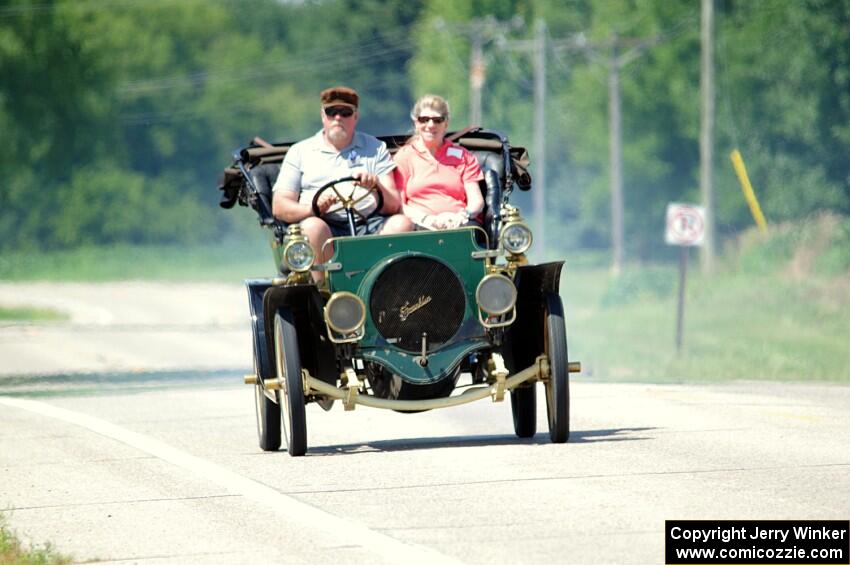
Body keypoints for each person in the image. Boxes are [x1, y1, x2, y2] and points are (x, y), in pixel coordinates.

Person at [271, 86, 412, 275]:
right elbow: (279, 207)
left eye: (345, 113)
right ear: (323, 116)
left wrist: (375, 185)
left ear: (355, 117)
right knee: (313, 227)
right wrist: (313, 209)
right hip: (322, 227)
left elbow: (394, 205)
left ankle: (385, 288)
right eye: (332, 112)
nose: (338, 118)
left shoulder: (376, 148)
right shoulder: (300, 152)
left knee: (402, 224)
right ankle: (322, 293)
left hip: (370, 225)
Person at [393, 94, 485, 230]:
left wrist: (461, 216)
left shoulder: (463, 157)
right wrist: (427, 219)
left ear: (446, 124)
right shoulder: (404, 157)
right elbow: (398, 204)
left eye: (437, 120)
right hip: (419, 225)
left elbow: (476, 201)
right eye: (424, 120)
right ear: (416, 123)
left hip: (459, 224)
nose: (430, 125)